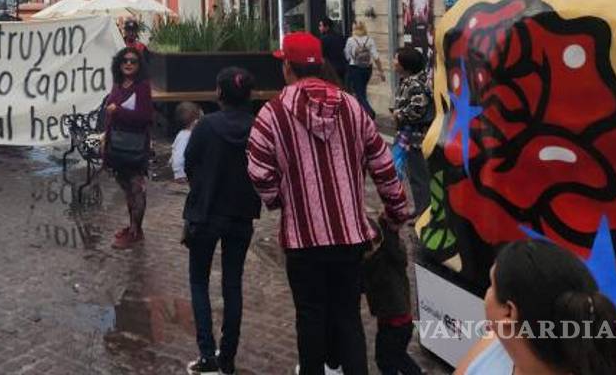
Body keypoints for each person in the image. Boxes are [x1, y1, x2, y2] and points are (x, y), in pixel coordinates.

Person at [247, 32, 410, 375]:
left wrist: (279, 201)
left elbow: (259, 172)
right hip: (350, 236)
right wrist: (396, 213)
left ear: (287, 68)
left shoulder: (272, 113)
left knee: (310, 318)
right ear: (320, 65)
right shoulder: (352, 106)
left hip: (303, 239)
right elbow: (383, 164)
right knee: (348, 317)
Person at [455, 239, 616, 375]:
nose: (487, 293)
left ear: (509, 312)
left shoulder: (497, 344)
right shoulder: (497, 341)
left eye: (491, 284)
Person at [182, 68, 261, 375]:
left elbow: (189, 163)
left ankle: (206, 354)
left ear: (219, 93)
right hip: (242, 213)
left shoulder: (206, 126)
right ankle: (227, 356)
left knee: (199, 281)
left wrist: (201, 187)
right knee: (233, 283)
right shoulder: (256, 127)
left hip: (206, 212)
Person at [103, 46, 153, 250]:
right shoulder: (118, 84)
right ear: (119, 63)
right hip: (117, 145)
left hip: (135, 146)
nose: (129, 64)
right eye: (125, 60)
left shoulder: (142, 87)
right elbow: (110, 116)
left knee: (137, 188)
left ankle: (136, 232)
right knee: (127, 189)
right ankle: (132, 226)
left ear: (139, 65)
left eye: (133, 61)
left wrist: (119, 111)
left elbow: (144, 117)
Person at [363, 215, 424, 375]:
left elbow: (392, 246)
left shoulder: (386, 258)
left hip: (396, 323)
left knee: (388, 359)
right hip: (392, 321)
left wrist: (386, 224)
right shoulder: (376, 260)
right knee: (394, 357)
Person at [391, 47, 434, 215]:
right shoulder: (413, 80)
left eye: (396, 59)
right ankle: (420, 208)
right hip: (411, 136)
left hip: (414, 137)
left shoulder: (414, 84)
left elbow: (418, 107)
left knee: (418, 176)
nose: (394, 62)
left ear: (405, 65)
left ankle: (424, 212)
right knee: (414, 175)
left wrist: (399, 114)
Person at [344, 21, 385, 118]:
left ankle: (370, 113)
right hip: (367, 69)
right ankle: (363, 113)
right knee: (363, 91)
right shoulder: (370, 40)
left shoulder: (351, 40)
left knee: (359, 93)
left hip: (355, 68)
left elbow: (347, 55)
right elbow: (376, 57)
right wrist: (381, 71)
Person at [171, 102, 201, 183]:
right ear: (195, 122)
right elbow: (178, 156)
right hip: (183, 174)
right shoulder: (185, 137)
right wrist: (179, 173)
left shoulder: (183, 135)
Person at [317, 18, 347, 86]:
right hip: (342, 66)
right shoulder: (340, 37)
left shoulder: (323, 39)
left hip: (330, 68)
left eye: (320, 26)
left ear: (326, 27)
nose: (319, 28)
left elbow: (321, 54)